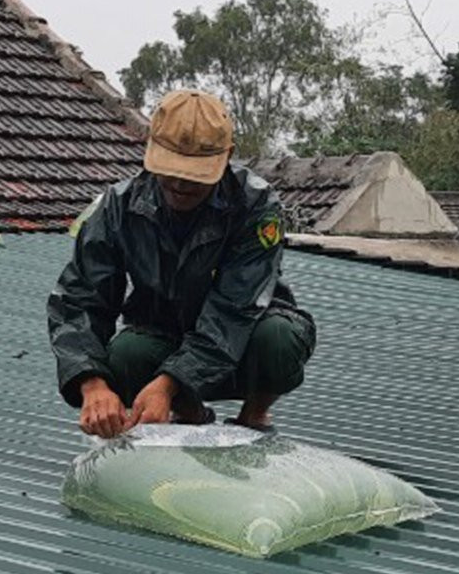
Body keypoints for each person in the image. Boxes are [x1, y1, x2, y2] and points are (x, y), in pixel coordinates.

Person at [48, 90, 315, 437]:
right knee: (125, 355)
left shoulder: (256, 206)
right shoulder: (118, 206)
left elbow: (234, 311)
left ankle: (254, 416)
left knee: (279, 339)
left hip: (244, 339)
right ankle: (189, 414)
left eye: (195, 173)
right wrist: (92, 384)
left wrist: (168, 383)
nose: (179, 183)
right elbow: (79, 299)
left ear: (227, 156)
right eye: (170, 169)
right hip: (164, 335)